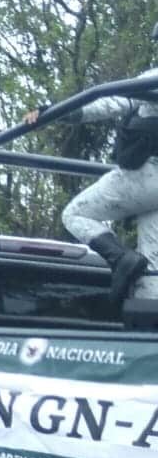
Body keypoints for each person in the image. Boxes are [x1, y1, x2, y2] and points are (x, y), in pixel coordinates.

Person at [26, 23, 158, 302]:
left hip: (148, 174)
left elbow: (109, 102)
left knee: (76, 214)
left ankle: (120, 258)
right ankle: (148, 329)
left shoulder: (153, 78)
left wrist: (55, 113)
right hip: (151, 191)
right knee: (153, 259)